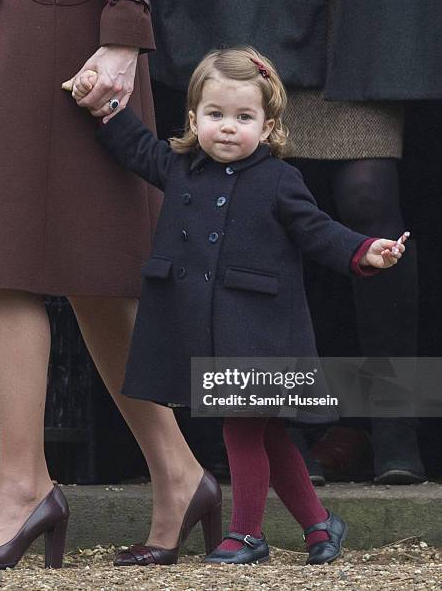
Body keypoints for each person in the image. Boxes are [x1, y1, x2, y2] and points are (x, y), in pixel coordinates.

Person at [71, 46, 407, 565]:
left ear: (268, 126)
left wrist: (365, 249)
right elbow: (137, 149)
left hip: (261, 332)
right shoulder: (181, 166)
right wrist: (106, 109)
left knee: (241, 427)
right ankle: (320, 524)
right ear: (194, 118)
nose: (228, 128)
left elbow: (318, 232)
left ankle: (248, 532)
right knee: (268, 432)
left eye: (243, 117)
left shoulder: (279, 180)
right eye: (216, 115)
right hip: (205, 329)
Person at [0, 0, 221, 570]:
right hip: (17, 18)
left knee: (4, 257)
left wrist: (123, 19)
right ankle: (177, 472)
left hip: (71, 22)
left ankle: (22, 486)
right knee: (82, 268)